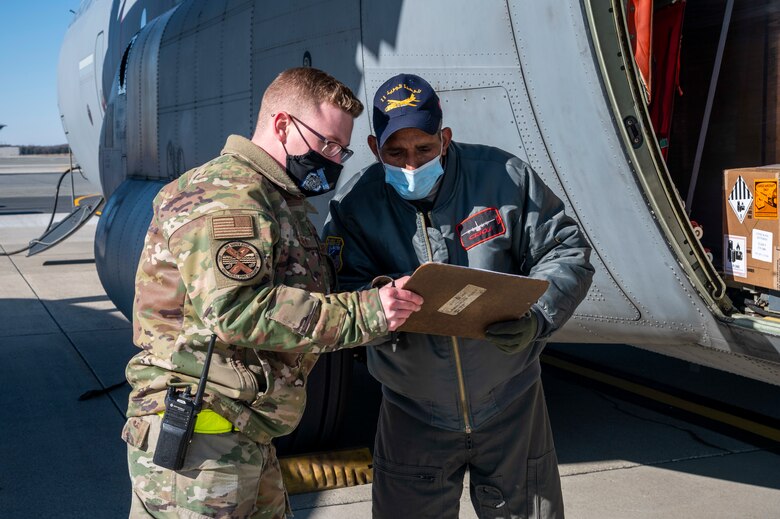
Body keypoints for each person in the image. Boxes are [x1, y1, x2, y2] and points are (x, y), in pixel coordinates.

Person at [121, 67, 423, 518]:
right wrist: (368, 313)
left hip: (242, 433)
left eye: (342, 149)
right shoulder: (227, 196)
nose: (335, 160)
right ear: (283, 125)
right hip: (202, 443)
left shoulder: (275, 197)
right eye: (326, 144)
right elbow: (237, 310)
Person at [323, 73, 594, 519]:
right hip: (412, 411)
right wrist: (376, 303)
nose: (411, 165)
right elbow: (337, 288)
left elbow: (565, 250)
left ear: (445, 139)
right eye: (396, 153)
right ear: (375, 149)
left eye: (424, 149)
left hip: (512, 403)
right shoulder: (356, 206)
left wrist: (538, 317)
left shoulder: (504, 178)